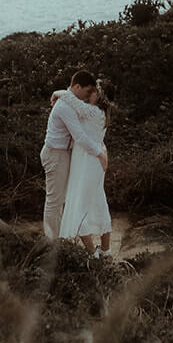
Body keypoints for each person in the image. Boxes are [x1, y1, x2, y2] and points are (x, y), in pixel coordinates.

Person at [40, 69, 107, 240]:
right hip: (56, 154)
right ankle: (53, 242)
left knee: (62, 199)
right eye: (87, 91)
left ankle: (61, 240)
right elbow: (80, 136)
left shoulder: (69, 102)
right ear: (77, 86)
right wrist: (100, 153)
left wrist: (58, 93)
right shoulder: (64, 106)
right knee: (54, 201)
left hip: (63, 154)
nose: (88, 95)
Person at [58, 78, 113, 257]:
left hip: (87, 162)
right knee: (98, 201)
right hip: (92, 162)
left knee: (78, 204)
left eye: (94, 91)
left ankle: (92, 253)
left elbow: (70, 99)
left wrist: (56, 92)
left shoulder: (92, 111)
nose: (90, 93)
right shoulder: (101, 112)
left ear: (100, 95)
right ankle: (105, 249)